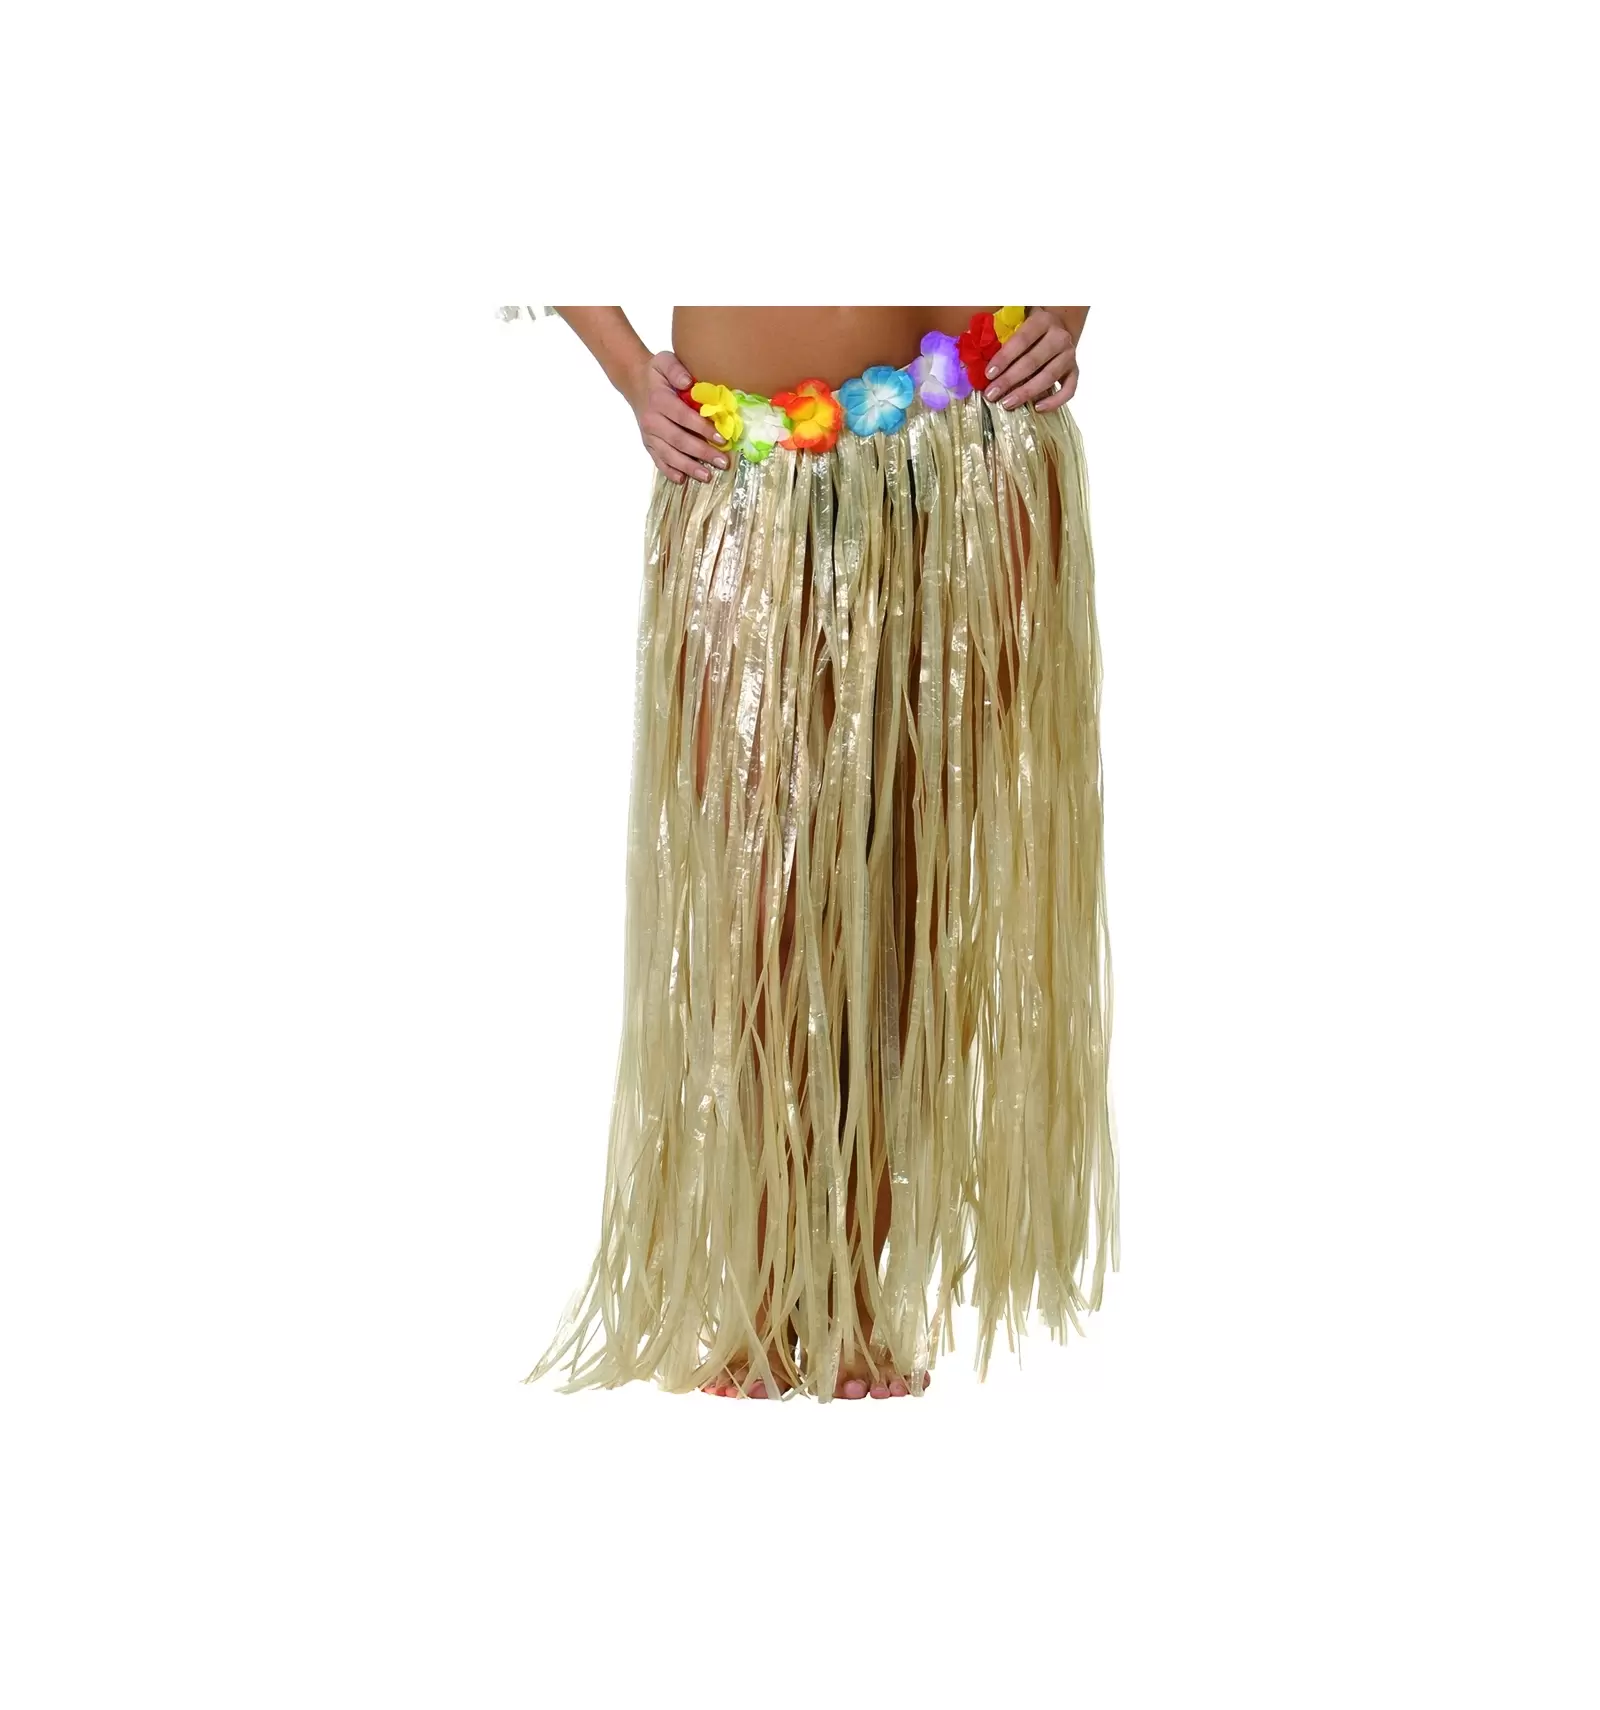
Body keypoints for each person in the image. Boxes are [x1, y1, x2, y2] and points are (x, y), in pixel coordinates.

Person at [521, 306, 1117, 1402]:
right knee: (767, 901)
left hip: (973, 432)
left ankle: (850, 1297)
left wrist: (1066, 307)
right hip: (746, 466)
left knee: (904, 887)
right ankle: (766, 1286)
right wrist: (627, 372)